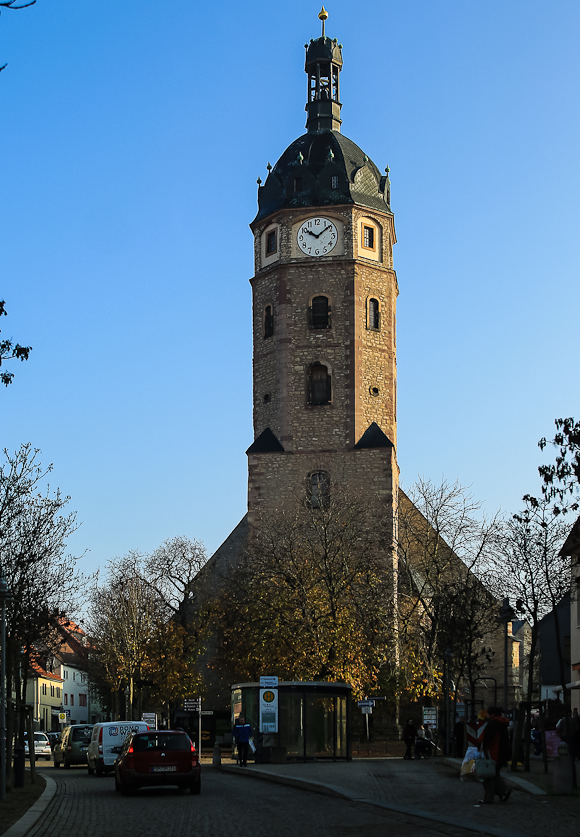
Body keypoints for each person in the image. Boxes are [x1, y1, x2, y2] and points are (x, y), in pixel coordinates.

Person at [480, 706, 511, 804]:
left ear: (492, 714)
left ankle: (490, 797)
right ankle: (503, 791)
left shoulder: (493, 724)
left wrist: (480, 746)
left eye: (488, 713)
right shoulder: (502, 723)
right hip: (501, 753)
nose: (486, 715)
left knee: (487, 774)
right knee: (494, 773)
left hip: (493, 753)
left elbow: (488, 740)